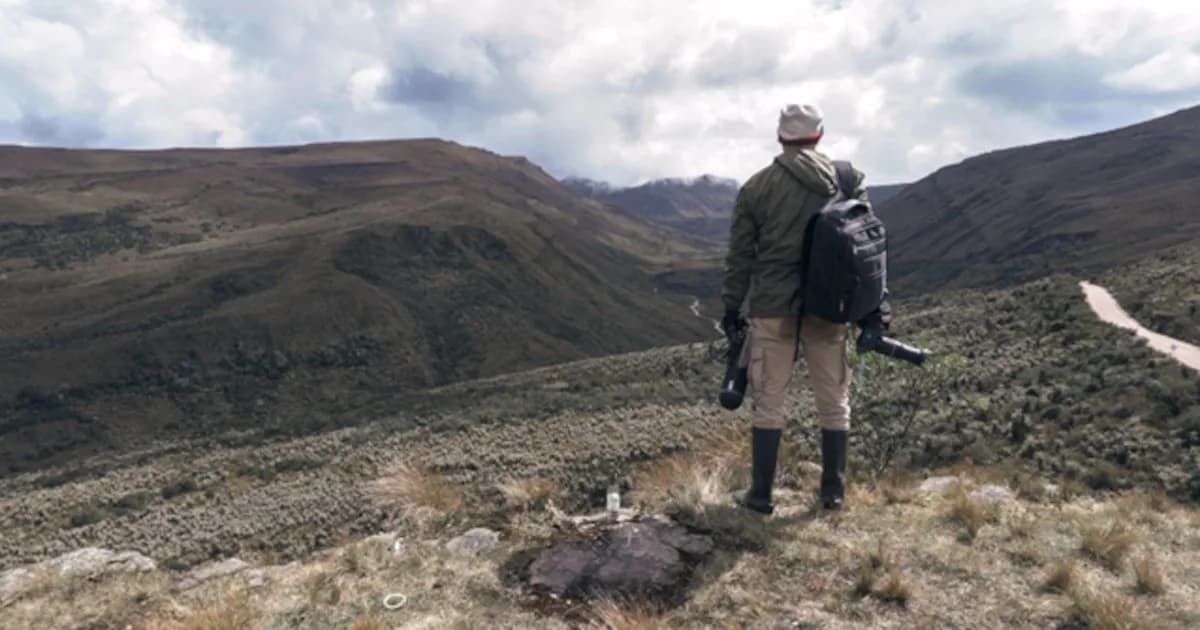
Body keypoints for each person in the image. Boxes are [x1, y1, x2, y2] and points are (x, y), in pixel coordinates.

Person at [720, 103, 871, 514]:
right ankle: (832, 493)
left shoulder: (757, 188)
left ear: (780, 137)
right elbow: (866, 245)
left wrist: (732, 308)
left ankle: (761, 496)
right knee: (834, 399)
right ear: (819, 136)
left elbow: (740, 259)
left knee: (769, 399)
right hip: (831, 307)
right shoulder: (848, 179)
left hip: (772, 307)